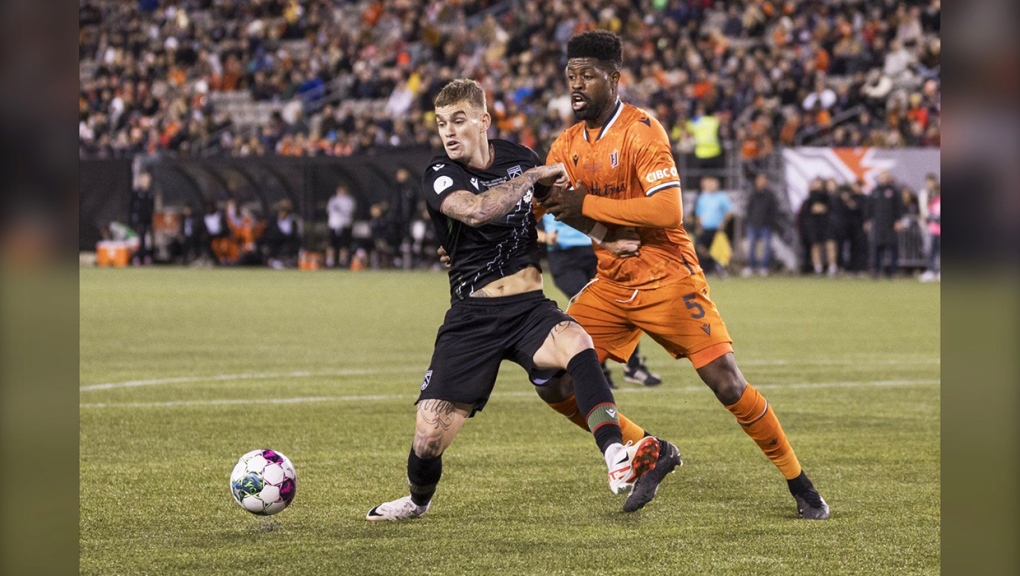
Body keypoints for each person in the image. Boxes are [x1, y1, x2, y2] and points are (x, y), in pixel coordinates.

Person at [540, 30, 828, 520]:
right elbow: (544, 204)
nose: (576, 85)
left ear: (614, 78)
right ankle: (650, 449)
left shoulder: (642, 130)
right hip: (610, 283)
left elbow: (668, 210)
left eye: (587, 75)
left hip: (668, 276)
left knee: (727, 383)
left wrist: (585, 205)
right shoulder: (565, 144)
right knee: (552, 378)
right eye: (571, 76)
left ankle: (801, 485)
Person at [367, 79, 665, 522]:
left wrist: (606, 237)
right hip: (473, 315)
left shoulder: (519, 157)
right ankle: (417, 501)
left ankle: (615, 455)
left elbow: (557, 209)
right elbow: (475, 211)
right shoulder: (440, 173)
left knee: (576, 340)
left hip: (528, 307)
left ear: (484, 121)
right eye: (441, 123)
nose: (449, 132)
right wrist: (529, 177)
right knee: (428, 437)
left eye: (459, 120)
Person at [539, 213, 663, 387]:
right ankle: (600, 371)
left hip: (596, 250)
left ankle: (633, 367)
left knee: (622, 305)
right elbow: (520, 223)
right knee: (589, 307)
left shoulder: (584, 185)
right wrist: (544, 236)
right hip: (565, 257)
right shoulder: (543, 188)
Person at [865, 171, 904, 279]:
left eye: (884, 177)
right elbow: (869, 207)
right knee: (877, 247)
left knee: (892, 247)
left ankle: (893, 271)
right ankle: (877, 271)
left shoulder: (894, 191)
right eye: (881, 177)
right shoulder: (875, 191)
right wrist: (867, 220)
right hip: (878, 224)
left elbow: (899, 207)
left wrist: (898, 220)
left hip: (891, 224)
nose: (882, 179)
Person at [693, 176, 733, 277]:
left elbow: (729, 212)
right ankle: (716, 266)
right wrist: (699, 226)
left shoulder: (721, 196)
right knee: (700, 248)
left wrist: (723, 223)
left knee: (717, 250)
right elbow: (699, 214)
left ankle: (717, 268)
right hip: (705, 228)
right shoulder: (703, 197)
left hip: (716, 229)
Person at [742, 173, 777, 277]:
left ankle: (764, 267)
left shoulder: (770, 195)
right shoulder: (752, 194)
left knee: (766, 247)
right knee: (751, 246)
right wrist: (748, 221)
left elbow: (773, 211)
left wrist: (770, 223)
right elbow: (748, 209)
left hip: (765, 225)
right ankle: (752, 266)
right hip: (752, 224)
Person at [326, 184, 356, 268]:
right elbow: (329, 210)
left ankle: (342, 261)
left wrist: (340, 210)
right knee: (331, 244)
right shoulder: (333, 200)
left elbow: (348, 211)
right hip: (334, 225)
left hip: (345, 225)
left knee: (344, 245)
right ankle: (330, 261)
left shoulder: (349, 200)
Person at [129, 170, 155, 265]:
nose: (146, 183)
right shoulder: (136, 193)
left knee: (146, 240)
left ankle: (146, 257)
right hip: (138, 220)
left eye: (147, 181)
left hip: (147, 220)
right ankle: (137, 257)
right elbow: (132, 207)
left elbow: (151, 208)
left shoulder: (150, 194)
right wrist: (134, 218)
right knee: (138, 239)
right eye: (144, 180)